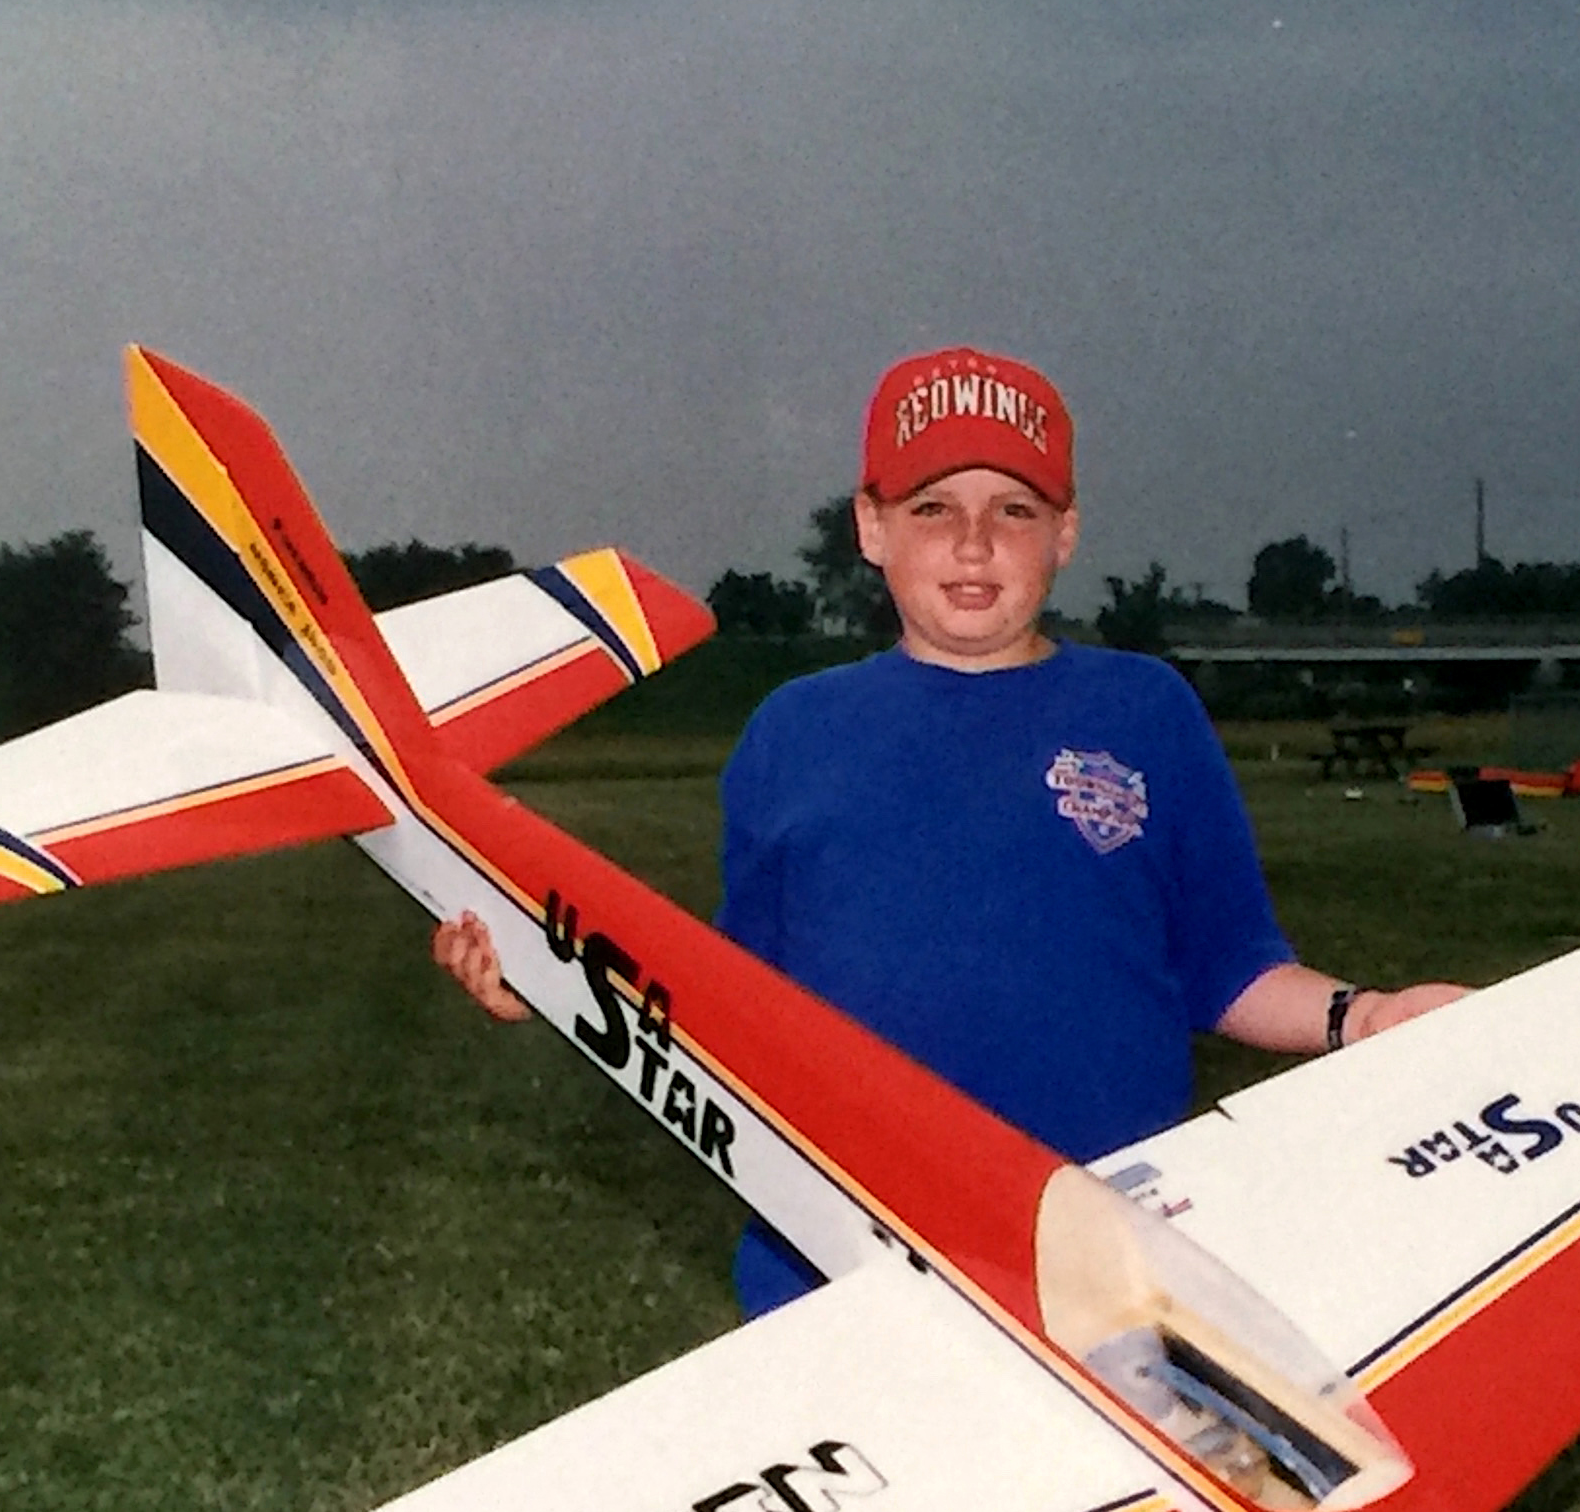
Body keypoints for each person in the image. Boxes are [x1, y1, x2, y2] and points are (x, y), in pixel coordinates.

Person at [435, 344, 1465, 1315]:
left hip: (1108, 1256)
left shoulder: (1146, 710)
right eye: (933, 507)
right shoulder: (793, 730)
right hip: (839, 1262)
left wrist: (1363, 1019)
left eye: (1014, 509)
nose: (974, 543)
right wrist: (556, 982)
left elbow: (1229, 966)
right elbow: (732, 998)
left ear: (1065, 533)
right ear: (870, 526)